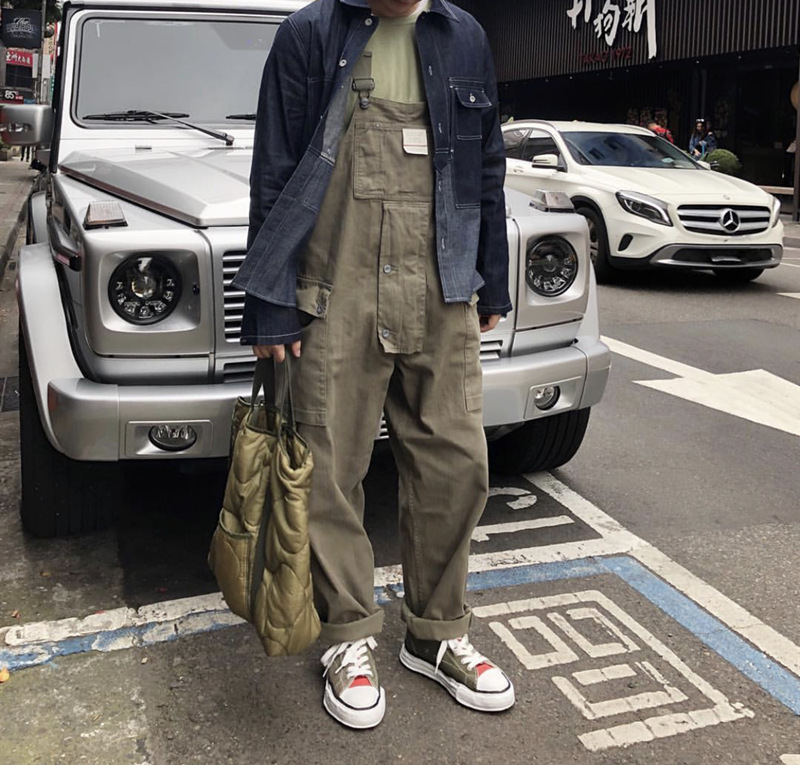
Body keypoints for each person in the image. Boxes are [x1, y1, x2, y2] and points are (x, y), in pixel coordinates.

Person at [233, 0, 515, 730]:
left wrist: (491, 276)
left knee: (456, 463)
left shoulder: (464, 36)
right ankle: (346, 634)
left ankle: (436, 632)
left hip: (443, 279)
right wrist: (269, 303)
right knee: (329, 468)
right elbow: (275, 169)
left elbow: (485, 162)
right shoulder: (309, 35)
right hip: (334, 283)